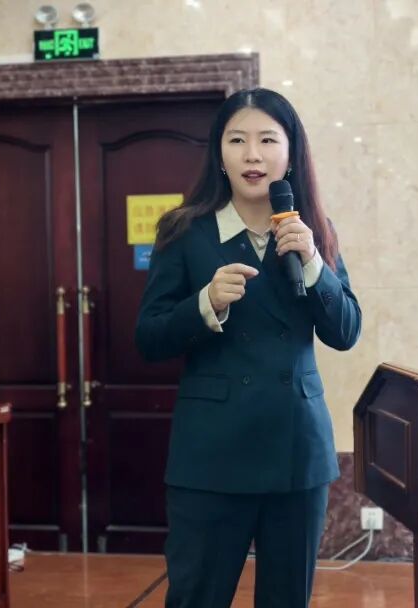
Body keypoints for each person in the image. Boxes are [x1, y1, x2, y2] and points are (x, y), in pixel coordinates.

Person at [134, 87, 362, 608]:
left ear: (291, 152)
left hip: (295, 451)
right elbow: (148, 338)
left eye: (267, 140)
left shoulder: (313, 231)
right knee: (195, 597)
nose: (252, 155)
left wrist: (312, 263)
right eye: (237, 140)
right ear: (219, 153)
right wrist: (205, 303)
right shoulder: (185, 231)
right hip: (211, 455)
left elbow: (346, 332)